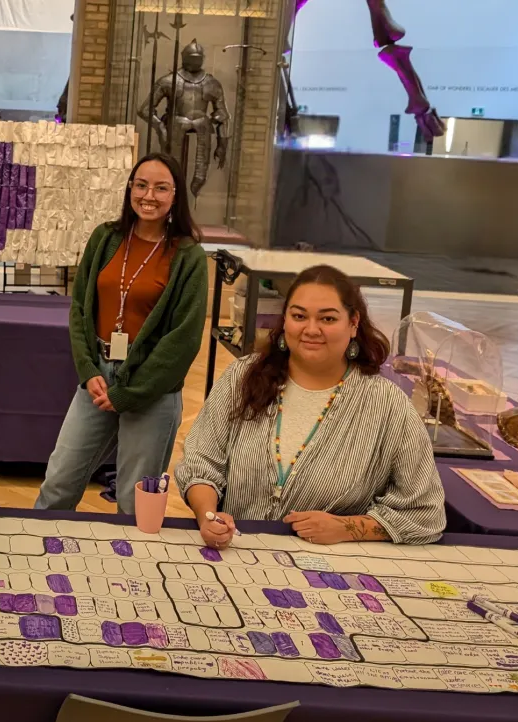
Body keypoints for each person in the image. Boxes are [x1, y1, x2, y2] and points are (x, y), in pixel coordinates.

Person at [176, 265, 445, 550]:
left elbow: (424, 512)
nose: (311, 329)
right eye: (299, 316)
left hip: (331, 570)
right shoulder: (242, 378)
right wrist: (208, 515)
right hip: (238, 555)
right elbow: (201, 463)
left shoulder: (387, 404)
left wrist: (347, 528)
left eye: (327, 318)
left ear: (353, 323)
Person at [35, 152, 208, 514]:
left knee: (133, 502)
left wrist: (129, 393)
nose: (149, 195)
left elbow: (184, 338)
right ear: (130, 188)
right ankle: (35, 563)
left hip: (152, 389)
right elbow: (80, 309)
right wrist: (88, 370)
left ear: (176, 196)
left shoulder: (188, 255)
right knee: (59, 482)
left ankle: (128, 570)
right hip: (98, 379)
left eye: (161, 188)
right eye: (141, 185)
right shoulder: (106, 237)